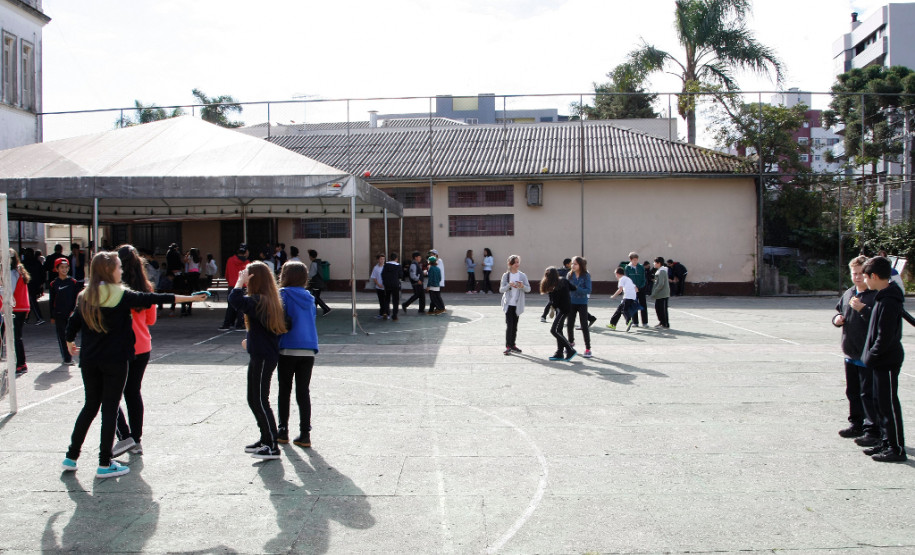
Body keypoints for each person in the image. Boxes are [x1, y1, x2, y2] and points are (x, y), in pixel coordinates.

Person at [61, 252, 206, 478]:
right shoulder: (121, 295)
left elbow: (72, 324)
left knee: (90, 407)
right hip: (116, 361)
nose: (121, 271)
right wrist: (193, 299)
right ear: (109, 271)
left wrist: (70, 342)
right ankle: (104, 463)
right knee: (109, 409)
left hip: (89, 360)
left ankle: (71, 457)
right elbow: (158, 299)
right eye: (118, 268)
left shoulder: (84, 295)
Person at [229, 261, 288, 461]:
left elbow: (235, 301)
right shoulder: (269, 300)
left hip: (263, 357)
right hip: (261, 354)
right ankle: (265, 438)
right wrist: (253, 341)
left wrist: (238, 282)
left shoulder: (259, 300)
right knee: (253, 398)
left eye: (247, 276)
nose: (244, 278)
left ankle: (272, 445)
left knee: (260, 399)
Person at [112, 245, 166, 458]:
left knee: (111, 394)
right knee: (133, 392)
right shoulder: (147, 288)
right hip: (142, 345)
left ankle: (125, 436)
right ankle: (136, 438)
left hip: (118, 346)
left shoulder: (114, 289)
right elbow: (151, 320)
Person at [858, 256, 907, 462]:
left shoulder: (888, 300)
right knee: (880, 403)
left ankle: (896, 448)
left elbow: (884, 336)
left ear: (874, 276)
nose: (864, 280)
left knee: (889, 405)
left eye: (865, 276)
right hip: (880, 361)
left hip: (886, 360)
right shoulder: (882, 297)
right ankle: (885, 441)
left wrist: (873, 355)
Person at [833, 255, 879, 446]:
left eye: (861, 273)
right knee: (852, 391)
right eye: (854, 273)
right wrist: (837, 320)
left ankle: (873, 429)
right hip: (850, 352)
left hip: (866, 353)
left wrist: (862, 309)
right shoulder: (849, 293)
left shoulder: (874, 296)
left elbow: (879, 322)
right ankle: (856, 424)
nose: (858, 277)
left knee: (867, 393)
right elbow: (838, 311)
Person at [276, 261, 319, 448]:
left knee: (284, 390)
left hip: (288, 346)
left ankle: (283, 430)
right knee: (303, 392)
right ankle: (305, 433)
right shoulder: (310, 298)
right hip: (308, 348)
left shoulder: (282, 295)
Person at [540, 266, 577, 361]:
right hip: (567, 308)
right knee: (559, 330)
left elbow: (554, 303)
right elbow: (573, 288)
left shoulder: (553, 286)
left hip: (562, 310)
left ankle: (570, 350)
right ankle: (559, 353)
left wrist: (552, 304)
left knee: (554, 330)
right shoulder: (563, 280)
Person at [49, 258, 81, 365]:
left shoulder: (73, 282)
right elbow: (51, 301)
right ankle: (66, 358)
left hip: (70, 314)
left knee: (70, 335)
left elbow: (77, 299)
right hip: (59, 314)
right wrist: (52, 316)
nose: (64, 269)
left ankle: (71, 354)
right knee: (61, 336)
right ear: (57, 269)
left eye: (66, 267)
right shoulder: (53, 284)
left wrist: (74, 311)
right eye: (62, 267)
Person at [500, 255, 531, 355]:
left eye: (518, 262)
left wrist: (522, 286)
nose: (517, 264)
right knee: (509, 325)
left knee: (515, 326)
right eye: (515, 262)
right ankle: (508, 346)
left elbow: (528, 289)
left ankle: (513, 344)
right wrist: (509, 285)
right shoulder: (506, 275)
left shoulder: (522, 275)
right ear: (510, 264)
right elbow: (501, 289)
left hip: (518, 304)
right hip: (508, 304)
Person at [566, 256, 596, 358]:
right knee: (570, 324)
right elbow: (566, 289)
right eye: (572, 264)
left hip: (582, 302)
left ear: (580, 265)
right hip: (571, 302)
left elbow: (588, 290)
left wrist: (576, 288)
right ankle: (570, 343)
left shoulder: (586, 275)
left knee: (584, 325)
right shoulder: (569, 275)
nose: (573, 266)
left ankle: (588, 348)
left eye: (575, 264)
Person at [8, 249, 31, 375]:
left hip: (15, 307)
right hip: (22, 306)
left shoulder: (12, 272)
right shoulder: (20, 269)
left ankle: (20, 364)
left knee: (15, 337)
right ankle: (21, 363)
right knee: (18, 337)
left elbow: (9, 291)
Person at [219, 244, 250, 330]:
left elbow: (227, 274)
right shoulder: (247, 263)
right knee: (242, 306)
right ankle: (240, 324)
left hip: (232, 285)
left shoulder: (230, 260)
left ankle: (227, 324)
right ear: (246, 252)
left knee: (230, 305)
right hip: (243, 286)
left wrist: (230, 282)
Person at [541, 258, 571, 323]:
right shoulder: (560, 271)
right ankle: (544, 316)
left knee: (557, 304)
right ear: (567, 264)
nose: (572, 265)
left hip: (562, 290)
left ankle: (557, 319)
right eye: (571, 263)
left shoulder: (570, 271)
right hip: (556, 289)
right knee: (552, 303)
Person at [608, 266, 637, 332]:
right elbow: (636, 288)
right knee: (619, 310)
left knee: (624, 310)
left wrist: (613, 296)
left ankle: (629, 321)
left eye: (615, 274)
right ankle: (613, 324)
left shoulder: (621, 279)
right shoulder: (628, 279)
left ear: (617, 274)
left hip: (627, 297)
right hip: (632, 297)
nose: (616, 276)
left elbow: (620, 290)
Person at [625, 252, 649, 328]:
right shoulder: (627, 268)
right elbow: (628, 279)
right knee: (634, 305)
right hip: (632, 290)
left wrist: (640, 286)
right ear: (630, 260)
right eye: (634, 260)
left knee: (643, 305)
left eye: (637, 260)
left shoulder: (641, 267)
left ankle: (645, 322)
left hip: (641, 289)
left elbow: (643, 279)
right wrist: (633, 287)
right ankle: (635, 322)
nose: (635, 261)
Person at [23, 248, 46, 325]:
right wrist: (41, 283)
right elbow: (43, 273)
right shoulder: (37, 262)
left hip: (28, 285)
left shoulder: (24, 263)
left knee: (32, 301)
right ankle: (26, 318)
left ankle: (39, 318)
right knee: (30, 301)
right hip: (35, 284)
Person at [307, 249, 331, 316]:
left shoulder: (314, 263)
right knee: (316, 296)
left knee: (315, 297)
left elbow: (311, 274)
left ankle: (326, 308)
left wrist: (306, 275)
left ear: (310, 256)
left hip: (316, 282)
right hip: (320, 282)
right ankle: (314, 310)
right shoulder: (318, 263)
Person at [649, 257, 671, 328]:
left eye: (655, 262)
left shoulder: (662, 271)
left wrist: (654, 292)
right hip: (660, 294)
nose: (654, 264)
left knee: (662, 309)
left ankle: (665, 323)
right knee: (658, 308)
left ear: (659, 263)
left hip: (662, 294)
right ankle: (661, 322)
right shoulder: (659, 270)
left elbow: (661, 284)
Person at [382, 252, 404, 321]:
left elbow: (382, 274)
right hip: (395, 284)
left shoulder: (386, 265)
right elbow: (401, 275)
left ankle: (386, 312)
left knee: (387, 299)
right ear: (396, 259)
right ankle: (394, 315)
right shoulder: (398, 266)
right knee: (395, 300)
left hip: (387, 284)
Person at [182, 247, 202, 317]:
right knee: (195, 285)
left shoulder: (190, 257)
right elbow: (199, 266)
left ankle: (189, 300)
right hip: (196, 272)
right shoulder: (198, 258)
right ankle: (198, 291)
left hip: (190, 273)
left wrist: (187, 255)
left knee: (189, 288)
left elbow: (185, 261)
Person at [370, 253, 386, 319]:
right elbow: (374, 277)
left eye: (383, 259)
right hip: (379, 287)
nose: (382, 260)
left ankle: (386, 313)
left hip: (385, 287)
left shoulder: (386, 267)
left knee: (386, 301)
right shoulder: (376, 268)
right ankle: (381, 313)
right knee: (381, 301)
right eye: (381, 259)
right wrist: (378, 284)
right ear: (378, 260)